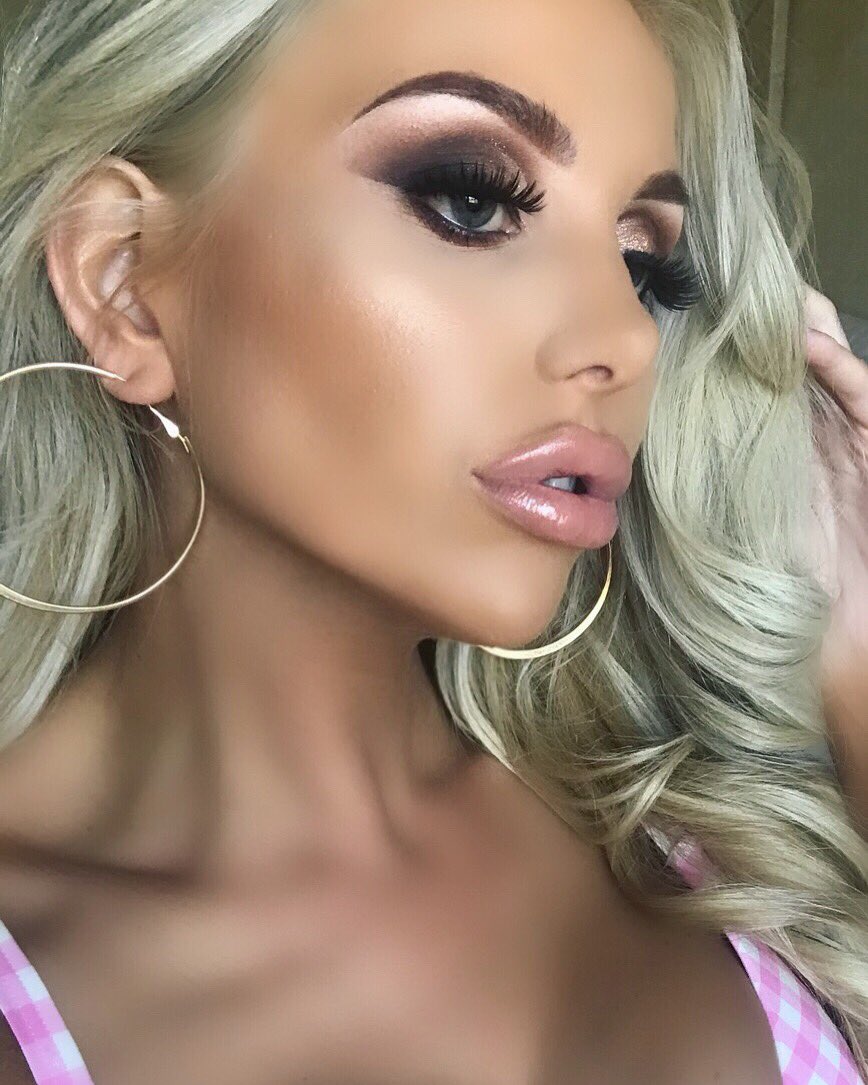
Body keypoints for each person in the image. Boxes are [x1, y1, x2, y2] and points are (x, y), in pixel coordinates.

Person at [0, 0, 865, 1081]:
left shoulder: (691, 812)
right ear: (123, 281)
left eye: (642, 265)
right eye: (472, 201)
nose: (623, 338)